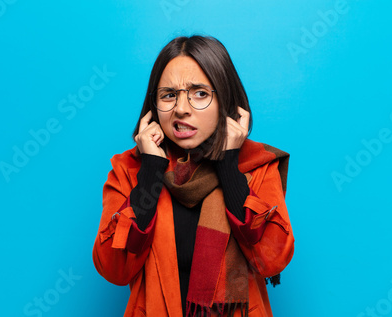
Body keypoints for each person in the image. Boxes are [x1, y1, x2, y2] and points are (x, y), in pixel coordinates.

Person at [92, 35, 294, 317]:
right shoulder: (129, 169)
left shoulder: (257, 166)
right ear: (154, 107)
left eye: (200, 93)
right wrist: (150, 171)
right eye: (169, 95)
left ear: (226, 100)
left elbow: (272, 261)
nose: (181, 109)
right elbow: (113, 267)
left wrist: (229, 164)